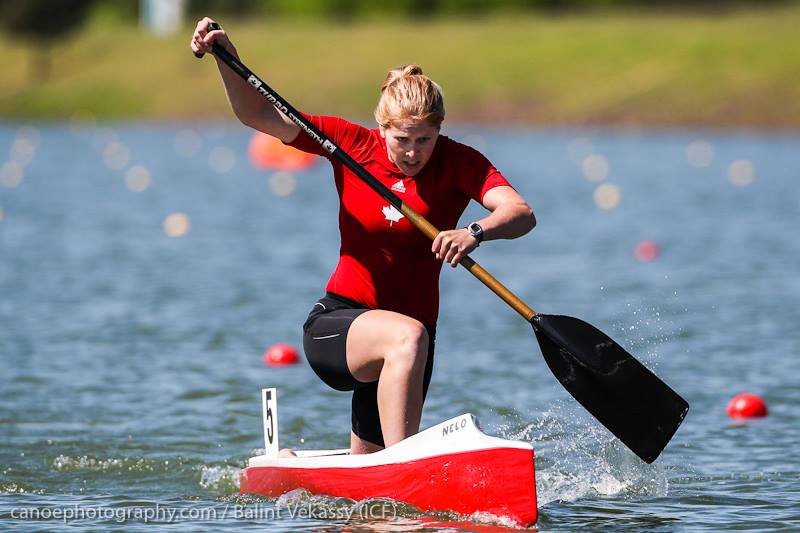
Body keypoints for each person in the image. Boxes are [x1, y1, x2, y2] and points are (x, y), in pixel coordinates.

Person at [191, 18, 536, 455]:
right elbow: (257, 113)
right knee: (406, 343)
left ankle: (316, 474)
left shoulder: (458, 162)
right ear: (382, 128)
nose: (413, 153)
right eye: (402, 140)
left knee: (373, 478)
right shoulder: (349, 143)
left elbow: (520, 213)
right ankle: (405, 465)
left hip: (411, 347)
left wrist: (475, 231)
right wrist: (227, 57)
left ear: (440, 129)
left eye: (425, 140)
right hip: (340, 325)